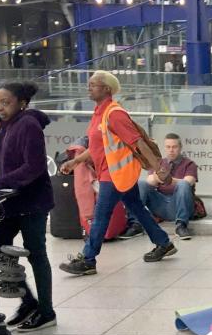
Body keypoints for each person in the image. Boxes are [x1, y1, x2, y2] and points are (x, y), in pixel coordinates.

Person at [58, 71, 176, 276]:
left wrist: (157, 167)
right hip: (114, 173)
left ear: (106, 89)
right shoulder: (100, 113)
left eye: (93, 85)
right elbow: (97, 146)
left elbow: (137, 141)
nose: (89, 87)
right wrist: (76, 161)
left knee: (101, 215)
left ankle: (88, 259)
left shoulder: (114, 114)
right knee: (137, 208)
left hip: (113, 175)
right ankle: (163, 243)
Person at [0, 81, 56, 331]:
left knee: (36, 254)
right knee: (0, 248)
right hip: (11, 201)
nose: (0, 108)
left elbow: (33, 167)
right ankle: (28, 302)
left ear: (22, 103)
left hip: (32, 202)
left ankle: (46, 312)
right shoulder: (6, 126)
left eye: (6, 102)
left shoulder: (29, 125)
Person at [121, 133, 198, 241]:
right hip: (160, 203)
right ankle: (135, 225)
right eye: (168, 147)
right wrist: (160, 177)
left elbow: (189, 181)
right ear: (165, 148)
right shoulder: (159, 163)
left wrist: (168, 179)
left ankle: (181, 226)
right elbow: (149, 181)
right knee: (141, 184)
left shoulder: (189, 164)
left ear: (180, 147)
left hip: (180, 204)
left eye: (174, 147)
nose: (171, 150)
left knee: (183, 184)